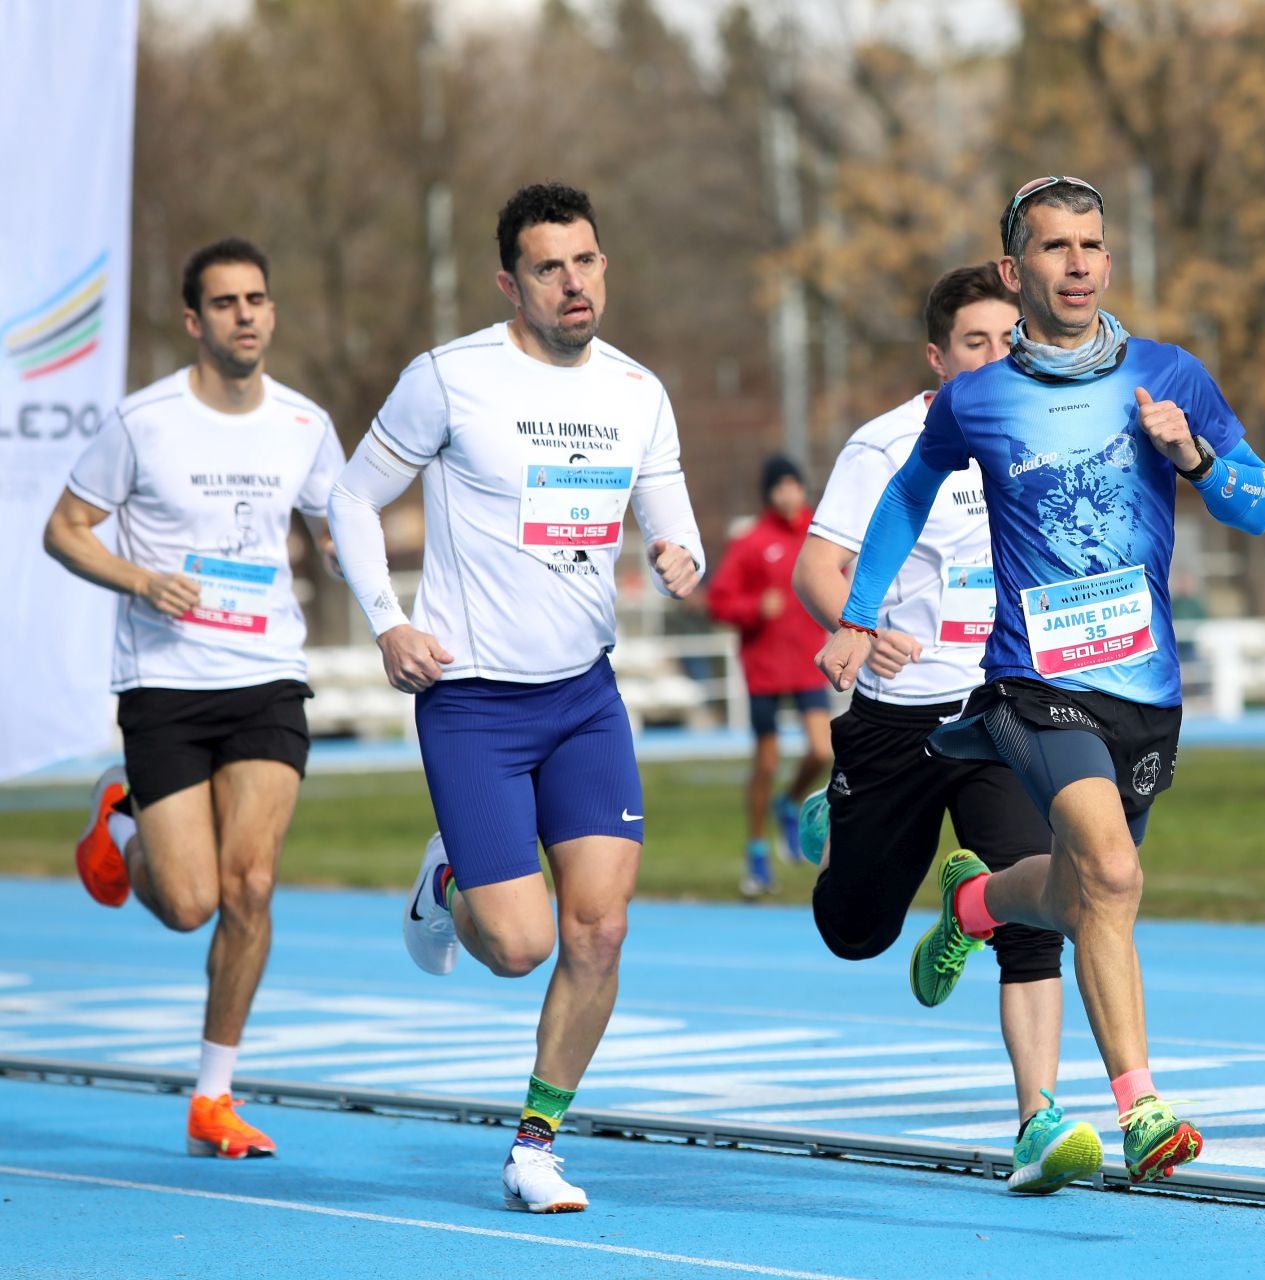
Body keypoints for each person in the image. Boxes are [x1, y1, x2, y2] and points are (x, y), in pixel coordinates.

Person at [815, 176, 1265, 1185]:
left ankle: (977, 902)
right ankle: (1140, 1106)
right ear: (1017, 271)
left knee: (1076, 891)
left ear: (1110, 261)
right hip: (1033, 682)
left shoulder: (1167, 375)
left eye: (1093, 246)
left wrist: (1192, 454)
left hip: (1143, 687)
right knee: (1112, 873)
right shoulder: (977, 399)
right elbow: (905, 494)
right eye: (1057, 247)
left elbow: (1256, 504)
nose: (1079, 263)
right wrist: (859, 615)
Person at [326, 183, 704, 1214]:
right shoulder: (449, 379)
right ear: (511, 282)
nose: (574, 282)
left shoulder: (637, 390)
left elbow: (678, 526)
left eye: (587, 260)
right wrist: (387, 622)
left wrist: (681, 555)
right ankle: (444, 886)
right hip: (474, 703)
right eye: (550, 266)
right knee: (521, 943)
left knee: (600, 930)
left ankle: (536, 1143)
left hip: (584, 696)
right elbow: (350, 498)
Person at [790, 263, 1101, 1194]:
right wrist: (859, 625)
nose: (999, 357)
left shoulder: (1050, 435)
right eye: (977, 343)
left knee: (1041, 915)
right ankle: (834, 824)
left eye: (1012, 339)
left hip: (1005, 709)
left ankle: (1038, 1120)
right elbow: (819, 566)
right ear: (939, 359)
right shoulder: (887, 446)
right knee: (856, 931)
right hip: (897, 723)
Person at [48, 237, 345, 1160]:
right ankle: (122, 815)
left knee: (250, 886)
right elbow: (66, 531)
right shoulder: (145, 423)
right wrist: (139, 581)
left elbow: (342, 530)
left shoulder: (304, 425)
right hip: (166, 683)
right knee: (187, 903)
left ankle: (213, 1097)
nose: (246, 315)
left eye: (258, 299)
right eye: (225, 303)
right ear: (194, 320)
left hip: (266, 678)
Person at [705, 455, 831, 895]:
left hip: (810, 663)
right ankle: (757, 852)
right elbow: (718, 601)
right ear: (768, 494)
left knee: (822, 749)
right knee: (767, 762)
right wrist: (754, 608)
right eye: (779, 487)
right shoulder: (751, 542)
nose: (788, 495)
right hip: (764, 669)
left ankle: (790, 802)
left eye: (794, 486)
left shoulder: (820, 529)